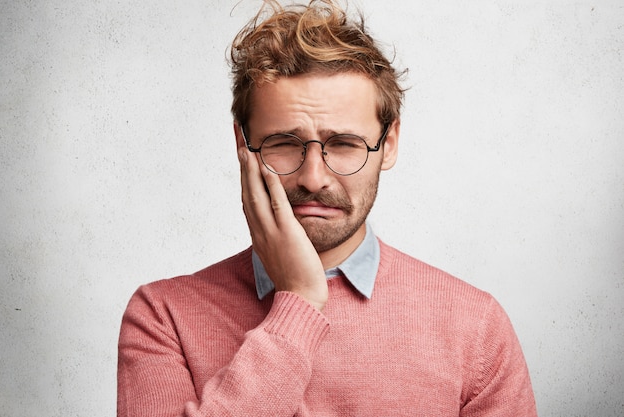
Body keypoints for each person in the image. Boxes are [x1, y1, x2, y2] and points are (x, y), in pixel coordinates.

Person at [117, 0, 537, 416]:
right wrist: (299, 300)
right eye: (283, 143)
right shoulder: (162, 316)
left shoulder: (474, 326)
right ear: (241, 145)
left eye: (344, 144)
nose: (314, 177)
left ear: (388, 145)